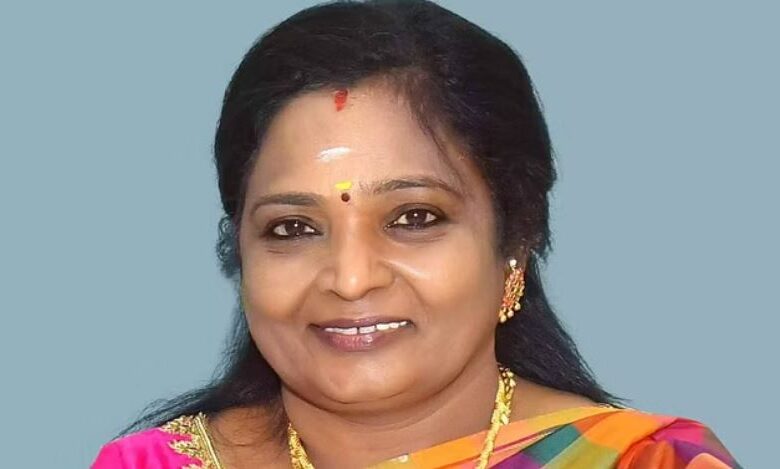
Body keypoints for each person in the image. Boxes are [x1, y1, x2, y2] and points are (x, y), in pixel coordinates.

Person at [91, 1, 741, 467]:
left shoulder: (645, 462)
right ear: (240, 251)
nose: (351, 278)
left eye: (414, 218)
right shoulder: (153, 464)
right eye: (293, 227)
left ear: (515, 241)